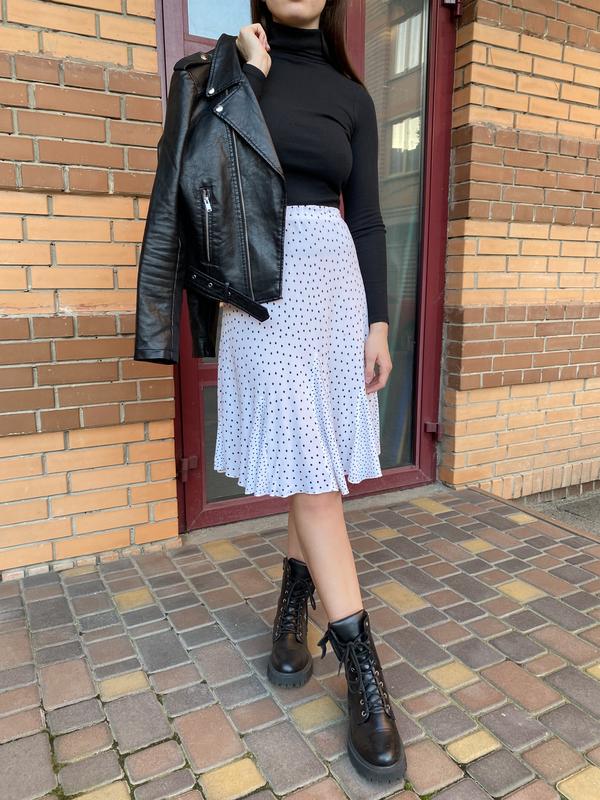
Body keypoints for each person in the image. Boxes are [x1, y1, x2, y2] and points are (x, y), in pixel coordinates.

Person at [217, 0, 407, 782]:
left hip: (333, 291)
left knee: (313, 457)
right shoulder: (233, 71)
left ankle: (293, 603)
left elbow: (367, 219)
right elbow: (214, 172)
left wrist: (379, 323)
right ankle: (363, 668)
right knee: (317, 475)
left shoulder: (351, 94)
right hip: (262, 287)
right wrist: (250, 77)